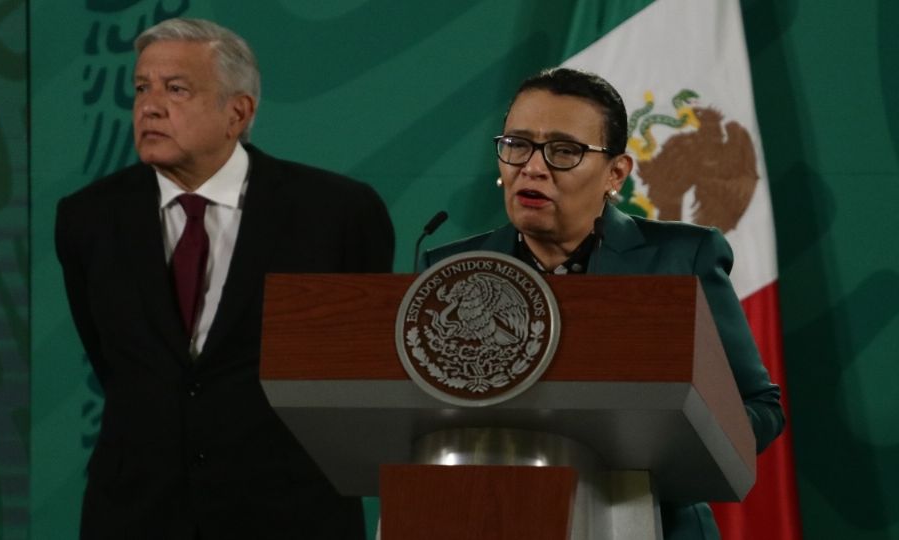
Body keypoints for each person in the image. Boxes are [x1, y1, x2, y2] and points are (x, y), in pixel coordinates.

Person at [55, 18, 394, 539]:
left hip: (290, 513)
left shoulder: (337, 214)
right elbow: (114, 364)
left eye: (177, 89)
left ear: (238, 112)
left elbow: (357, 367)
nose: (149, 106)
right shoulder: (88, 219)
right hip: (138, 513)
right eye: (141, 88)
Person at [420, 67, 784, 539]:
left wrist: (660, 450)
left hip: (652, 522)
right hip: (491, 519)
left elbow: (758, 408)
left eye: (564, 151)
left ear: (616, 173)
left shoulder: (680, 258)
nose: (532, 166)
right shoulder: (451, 270)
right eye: (517, 144)